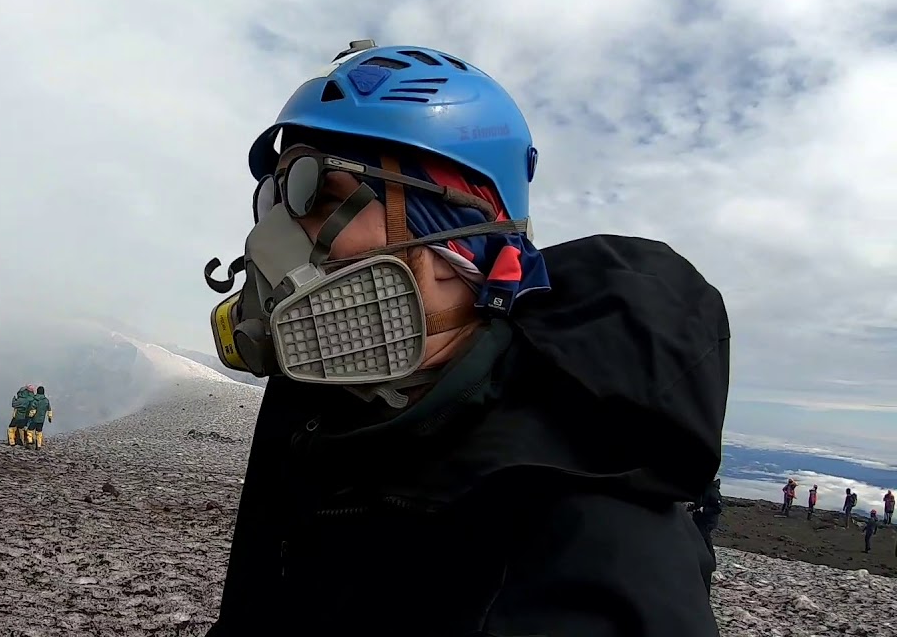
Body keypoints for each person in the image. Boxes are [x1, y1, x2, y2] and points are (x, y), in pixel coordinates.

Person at [202, 41, 729, 635]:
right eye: (273, 198)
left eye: (315, 194)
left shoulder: (597, 545)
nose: (272, 236)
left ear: (455, 241)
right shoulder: (322, 409)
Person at [688, 477, 723, 593]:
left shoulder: (712, 491)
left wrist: (704, 510)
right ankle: (704, 563)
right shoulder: (705, 489)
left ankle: (709, 564)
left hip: (706, 521)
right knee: (701, 539)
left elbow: (717, 508)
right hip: (701, 519)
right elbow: (701, 502)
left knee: (705, 540)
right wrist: (693, 507)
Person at [24, 384, 53, 449]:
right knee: (39, 432)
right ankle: (38, 445)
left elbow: (33, 410)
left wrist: (30, 416)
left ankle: (30, 441)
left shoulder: (35, 400)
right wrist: (50, 417)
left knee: (30, 430)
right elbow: (49, 409)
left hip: (34, 419)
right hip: (41, 420)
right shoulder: (46, 400)